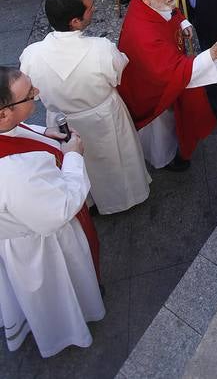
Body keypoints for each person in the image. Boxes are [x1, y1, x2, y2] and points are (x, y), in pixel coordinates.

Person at [0, 66, 105, 358]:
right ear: (4, 112)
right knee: (59, 290)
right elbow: (60, 208)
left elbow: (16, 133)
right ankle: (67, 328)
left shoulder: (5, 127)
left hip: (16, 236)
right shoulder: (14, 174)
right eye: (29, 95)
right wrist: (73, 155)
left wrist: (44, 134)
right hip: (40, 244)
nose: (37, 94)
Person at [19, 0, 150, 214]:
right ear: (75, 22)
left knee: (78, 165)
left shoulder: (31, 54)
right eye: (90, 8)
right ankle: (122, 199)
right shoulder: (101, 49)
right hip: (104, 117)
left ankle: (87, 201)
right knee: (116, 162)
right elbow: (117, 76)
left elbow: (34, 95)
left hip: (62, 124)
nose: (95, 8)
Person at [119, 0, 217, 171]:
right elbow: (174, 71)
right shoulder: (143, 35)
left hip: (162, 72)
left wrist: (182, 21)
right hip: (152, 91)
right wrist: (211, 54)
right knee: (159, 133)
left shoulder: (149, 2)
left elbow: (168, 9)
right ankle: (163, 159)